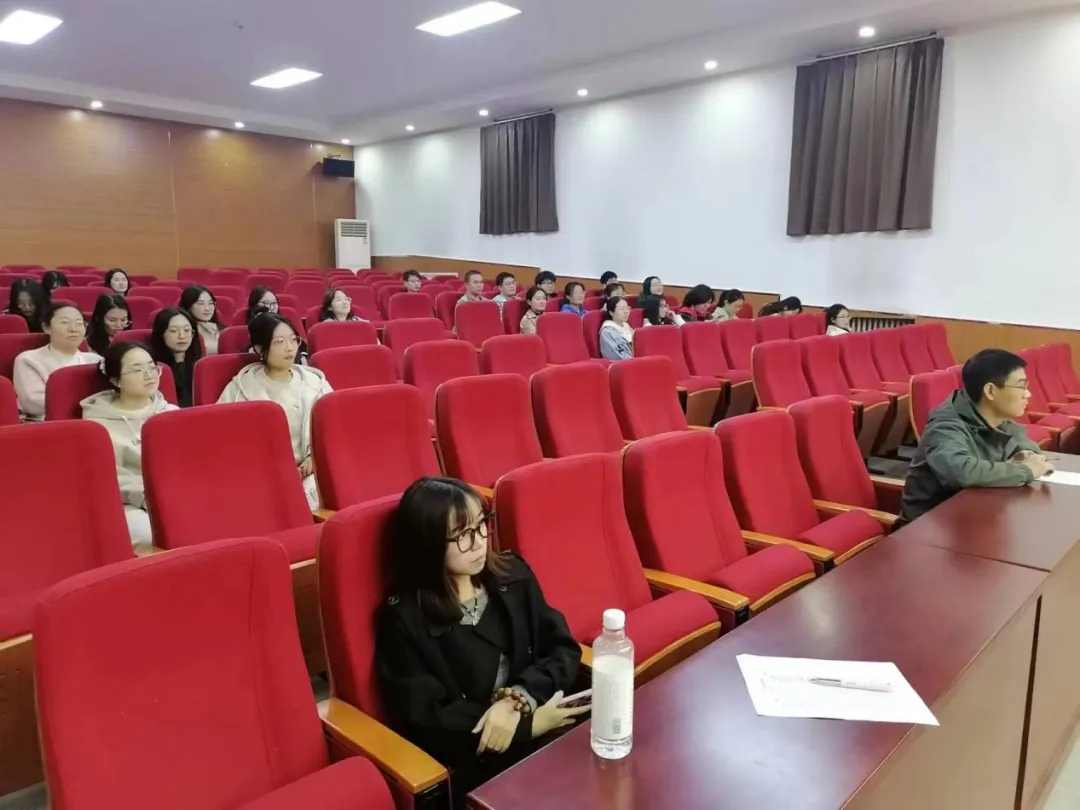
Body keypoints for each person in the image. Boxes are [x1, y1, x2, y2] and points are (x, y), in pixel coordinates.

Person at [376, 477, 584, 809]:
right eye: (462, 535)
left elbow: (561, 648)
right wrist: (526, 727)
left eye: (482, 524)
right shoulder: (403, 619)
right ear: (427, 543)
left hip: (546, 722)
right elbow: (427, 719)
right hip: (476, 761)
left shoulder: (512, 574)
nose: (479, 542)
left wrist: (520, 699)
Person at [897, 349, 1053, 527]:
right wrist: (1026, 470)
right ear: (991, 391)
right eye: (1021, 387)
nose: (1028, 394)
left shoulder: (992, 415)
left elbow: (1018, 436)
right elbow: (961, 472)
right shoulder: (945, 427)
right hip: (928, 529)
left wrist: (1028, 453)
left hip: (972, 518)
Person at [218, 313, 332, 509]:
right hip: (262, 474)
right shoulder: (241, 388)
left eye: (293, 340)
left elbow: (334, 430)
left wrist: (314, 457)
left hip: (313, 470)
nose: (290, 348)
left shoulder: (314, 382)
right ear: (259, 349)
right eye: (279, 342)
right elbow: (224, 439)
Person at [81, 341, 177, 549]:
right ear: (116, 380)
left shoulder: (172, 413)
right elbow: (111, 477)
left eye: (152, 367)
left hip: (176, 492)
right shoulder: (96, 426)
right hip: (131, 502)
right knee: (148, 535)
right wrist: (151, 498)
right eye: (137, 370)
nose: (149, 375)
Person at [13, 300, 99, 420]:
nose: (73, 329)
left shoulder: (96, 361)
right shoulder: (28, 360)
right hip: (49, 423)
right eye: (65, 322)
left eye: (79, 323)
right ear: (46, 327)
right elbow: (32, 403)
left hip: (94, 419)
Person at [150, 307, 202, 408]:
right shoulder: (153, 370)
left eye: (187, 330)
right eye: (174, 331)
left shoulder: (200, 367)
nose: (182, 336)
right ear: (161, 334)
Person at [179, 285, 224, 355]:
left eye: (210, 303)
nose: (207, 308)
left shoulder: (223, 330)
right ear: (189, 306)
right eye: (201, 304)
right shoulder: (184, 332)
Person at [599, 297, 634, 361]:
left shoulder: (626, 326)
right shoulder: (607, 332)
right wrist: (636, 360)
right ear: (611, 312)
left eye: (627, 308)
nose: (626, 312)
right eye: (622, 309)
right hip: (623, 364)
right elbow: (616, 356)